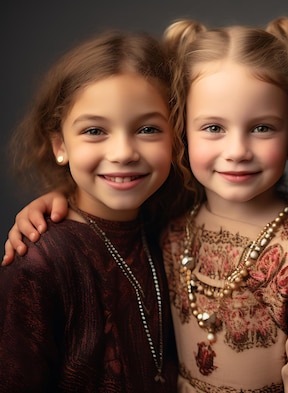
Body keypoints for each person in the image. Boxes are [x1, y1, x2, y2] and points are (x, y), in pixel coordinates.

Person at [159, 16, 288, 392]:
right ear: (182, 128)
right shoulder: (171, 227)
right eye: (214, 127)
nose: (237, 152)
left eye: (262, 127)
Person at [0, 31, 183, 390]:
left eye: (147, 129)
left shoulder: (168, 226)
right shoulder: (40, 260)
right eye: (95, 130)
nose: (123, 153)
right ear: (59, 145)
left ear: (176, 136)